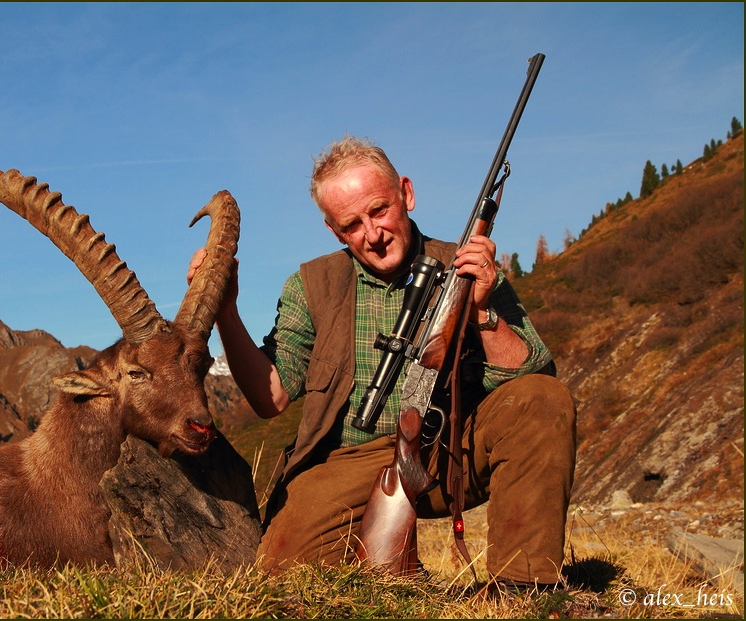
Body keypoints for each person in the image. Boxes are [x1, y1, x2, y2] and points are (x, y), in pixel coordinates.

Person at [188, 135, 577, 589]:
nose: (372, 234)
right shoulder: (311, 284)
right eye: (352, 224)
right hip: (348, 458)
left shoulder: (469, 266)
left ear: (406, 194)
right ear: (334, 231)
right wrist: (227, 312)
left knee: (541, 399)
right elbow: (270, 397)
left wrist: (483, 312)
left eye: (379, 210)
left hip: (449, 444)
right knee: (283, 575)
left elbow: (532, 381)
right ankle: (392, 570)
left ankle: (522, 588)